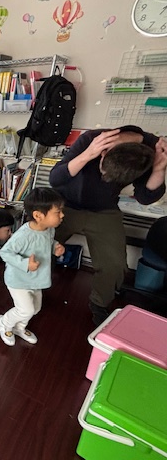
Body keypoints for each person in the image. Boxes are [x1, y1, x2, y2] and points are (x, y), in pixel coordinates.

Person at [49, 126, 167, 324]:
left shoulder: (150, 151)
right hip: (65, 204)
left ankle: (99, 303)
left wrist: (159, 169)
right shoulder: (91, 139)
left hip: (104, 209)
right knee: (36, 244)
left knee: (114, 264)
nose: (104, 178)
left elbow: (145, 197)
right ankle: (33, 287)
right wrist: (88, 154)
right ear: (103, 152)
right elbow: (56, 178)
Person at [0, 188, 66, 347]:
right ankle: (4, 323)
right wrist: (25, 264)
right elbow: (5, 252)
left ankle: (19, 328)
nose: (62, 215)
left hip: (36, 279)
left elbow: (47, 243)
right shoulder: (24, 235)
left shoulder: (49, 229)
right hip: (19, 280)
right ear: (38, 215)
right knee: (25, 310)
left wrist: (55, 247)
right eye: (58, 212)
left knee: (35, 309)